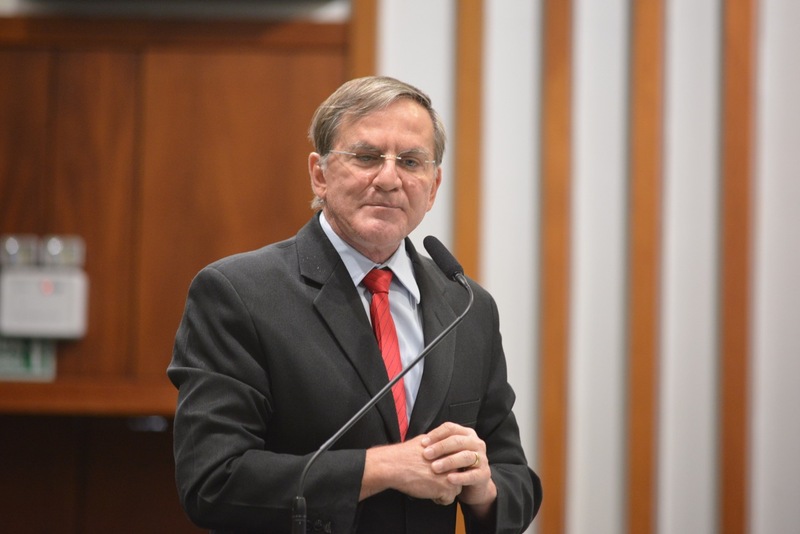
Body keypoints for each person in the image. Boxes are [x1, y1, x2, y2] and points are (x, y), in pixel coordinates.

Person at [168, 75, 542, 533]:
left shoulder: (468, 306)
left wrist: (482, 486)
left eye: (411, 162)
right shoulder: (238, 293)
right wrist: (381, 468)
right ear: (320, 174)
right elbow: (213, 481)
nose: (389, 179)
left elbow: (514, 477)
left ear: (433, 186)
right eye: (367, 157)